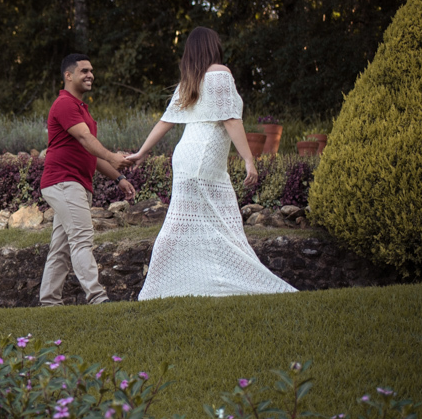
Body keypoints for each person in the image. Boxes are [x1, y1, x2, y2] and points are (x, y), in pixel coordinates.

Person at [126, 28, 296, 299]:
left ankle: (194, 285)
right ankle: (222, 283)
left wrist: (142, 152)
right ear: (212, 47)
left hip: (186, 159)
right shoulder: (219, 73)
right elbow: (230, 119)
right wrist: (249, 160)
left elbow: (165, 121)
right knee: (222, 223)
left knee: (188, 223)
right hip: (204, 158)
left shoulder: (191, 80)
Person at [38, 54, 136, 306]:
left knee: (61, 247)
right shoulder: (64, 104)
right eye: (84, 71)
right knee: (82, 238)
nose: (90, 75)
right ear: (68, 75)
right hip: (63, 182)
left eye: (91, 70)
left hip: (74, 184)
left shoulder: (81, 109)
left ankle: (49, 303)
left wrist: (119, 178)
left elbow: (90, 151)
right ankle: (97, 297)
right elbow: (85, 139)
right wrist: (113, 156)